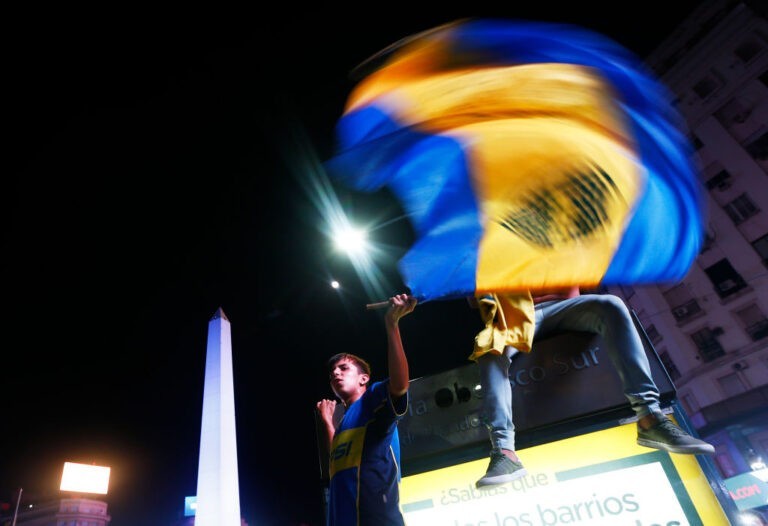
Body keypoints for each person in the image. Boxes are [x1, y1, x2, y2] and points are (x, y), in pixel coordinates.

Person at [471, 287, 715, 488]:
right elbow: (473, 297)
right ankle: (504, 452)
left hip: (566, 306)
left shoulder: (555, 237)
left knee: (612, 304)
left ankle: (650, 418)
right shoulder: (490, 249)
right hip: (516, 315)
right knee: (489, 346)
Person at [317, 293, 418, 526]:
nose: (335, 373)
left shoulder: (373, 401)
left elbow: (400, 385)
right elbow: (337, 459)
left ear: (364, 378)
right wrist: (327, 422)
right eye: (332, 371)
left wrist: (392, 324)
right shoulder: (345, 423)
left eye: (343, 368)